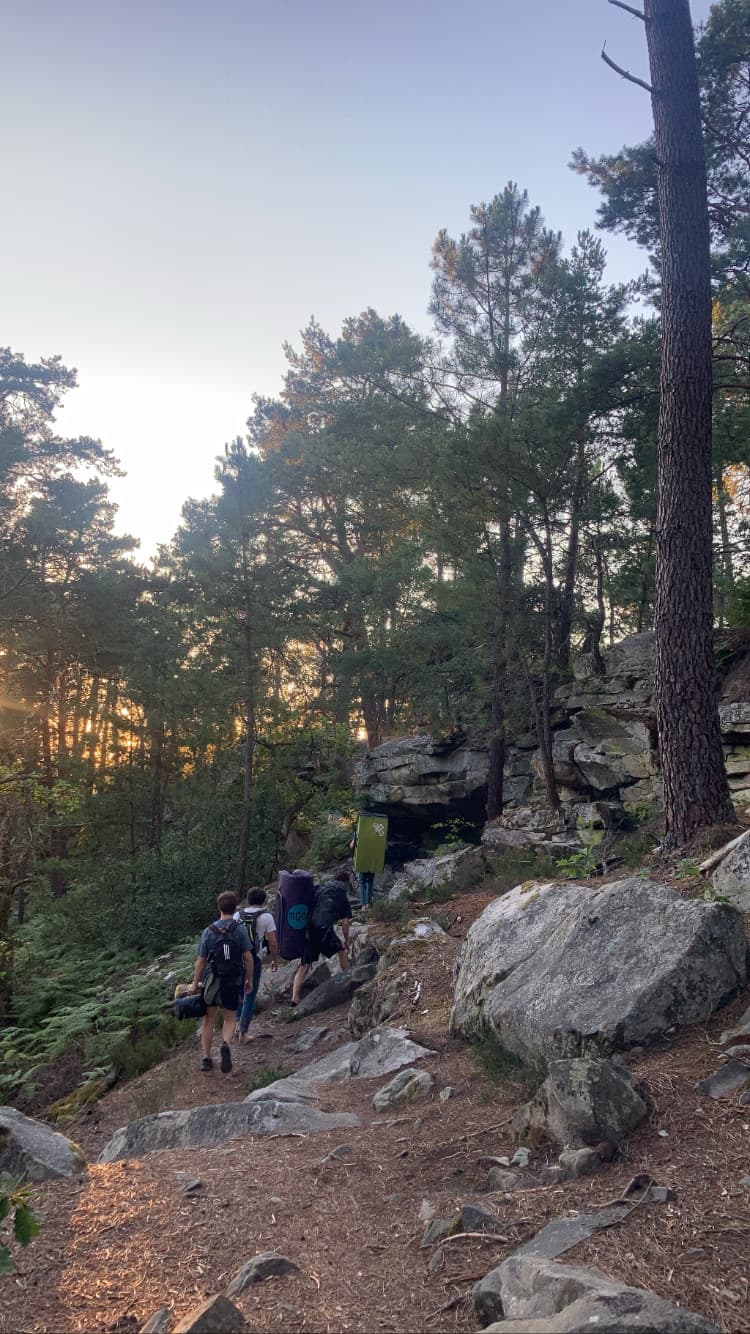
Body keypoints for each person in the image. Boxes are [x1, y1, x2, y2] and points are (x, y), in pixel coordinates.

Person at [187, 891, 254, 1074]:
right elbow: (248, 957)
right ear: (235, 908)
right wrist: (249, 980)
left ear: (219, 907)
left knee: (209, 1019)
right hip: (233, 980)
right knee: (230, 1018)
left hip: (212, 980)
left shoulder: (209, 931)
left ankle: (207, 1058)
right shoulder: (239, 929)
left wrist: (194, 983)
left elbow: (201, 961)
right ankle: (225, 1044)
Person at [291, 870, 352, 1006]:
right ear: (346, 883)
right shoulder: (341, 895)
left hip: (309, 930)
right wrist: (347, 940)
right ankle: (349, 978)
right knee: (342, 949)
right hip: (324, 931)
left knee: (304, 965)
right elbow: (345, 922)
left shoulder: (320, 888)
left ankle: (294, 998)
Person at [234, 887, 279, 1041]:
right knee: (250, 993)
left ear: (248, 899)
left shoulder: (237, 915)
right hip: (254, 958)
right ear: (263, 900)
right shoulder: (266, 916)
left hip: (236, 958)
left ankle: (236, 1024)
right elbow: (272, 941)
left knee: (239, 991)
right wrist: (274, 959)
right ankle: (243, 1032)